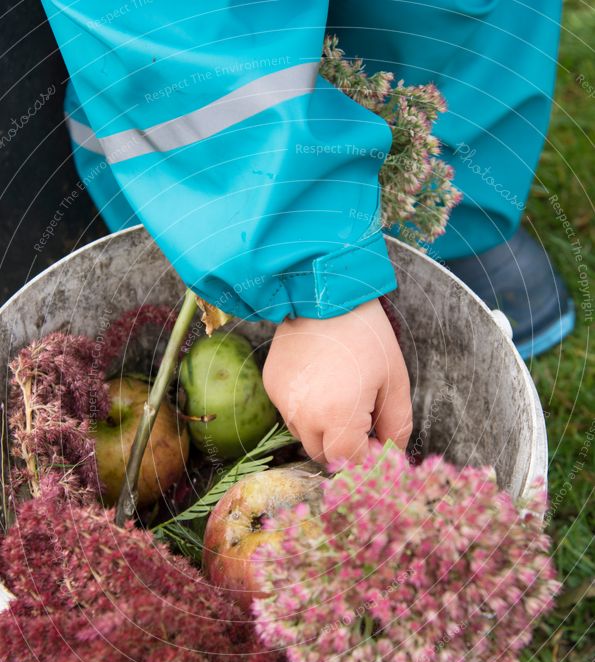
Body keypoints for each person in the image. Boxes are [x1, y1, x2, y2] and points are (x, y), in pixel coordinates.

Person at [41, 1, 572, 464]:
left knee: (442, 31)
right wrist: (310, 270)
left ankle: (448, 240)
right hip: (214, 122)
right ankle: (247, 261)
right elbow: (166, 27)